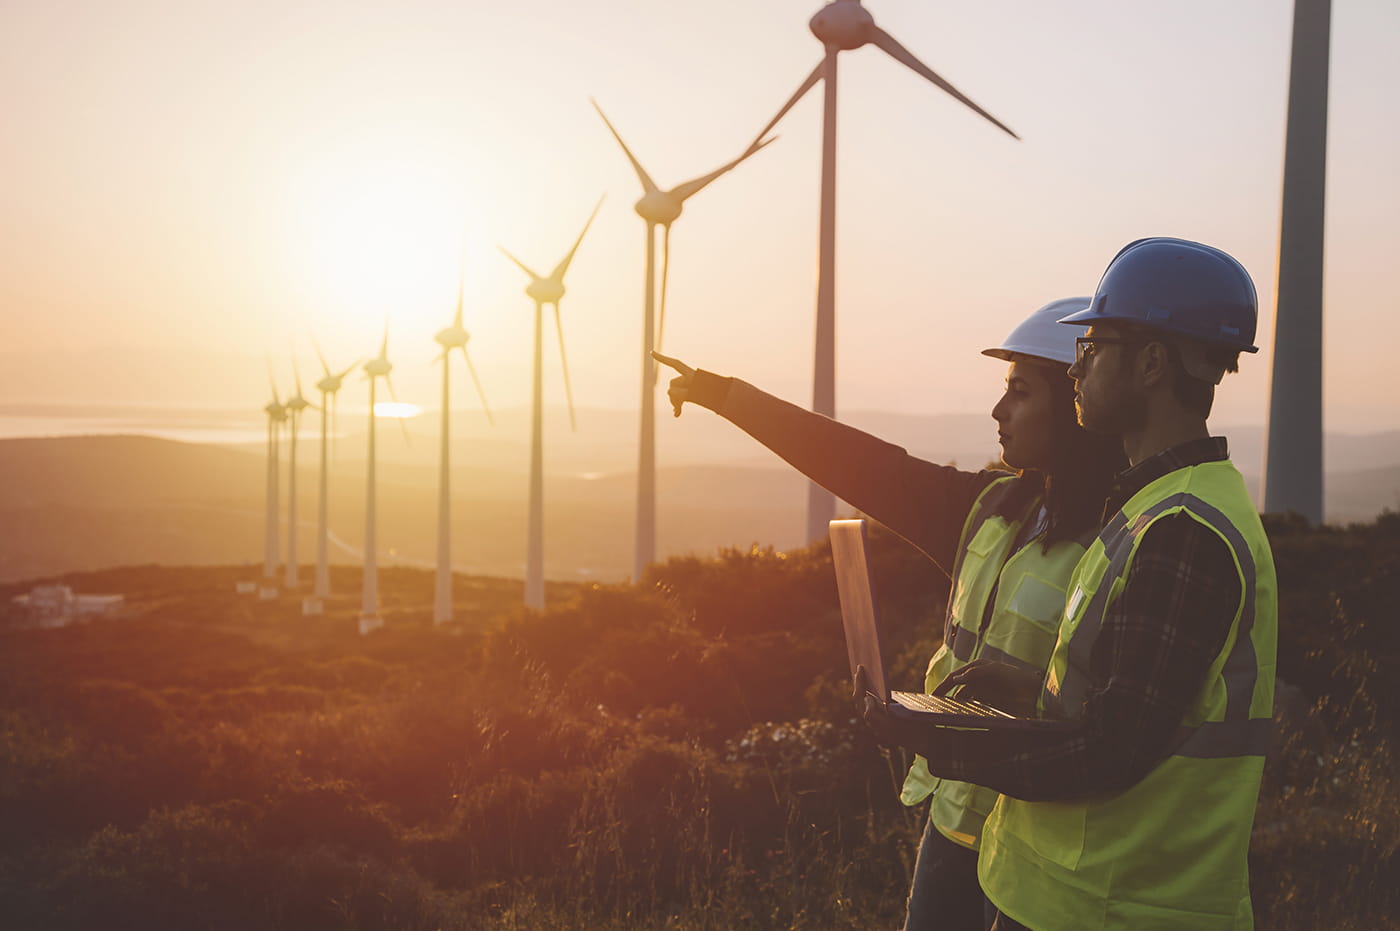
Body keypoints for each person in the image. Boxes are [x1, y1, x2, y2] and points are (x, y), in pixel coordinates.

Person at [653, 297, 1126, 931]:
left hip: (1043, 840)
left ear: (1073, 406)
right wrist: (728, 397)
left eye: (1020, 392)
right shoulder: (988, 510)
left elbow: (1112, 718)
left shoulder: (1122, 539)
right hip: (954, 820)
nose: (998, 409)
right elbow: (861, 464)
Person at [865, 237, 1278, 930]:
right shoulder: (1147, 508)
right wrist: (1024, 688)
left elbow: (1111, 750)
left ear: (1150, 363)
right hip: (1063, 897)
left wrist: (944, 739)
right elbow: (1131, 702)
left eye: (1093, 345)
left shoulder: (1184, 532)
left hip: (1119, 908)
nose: (1077, 365)